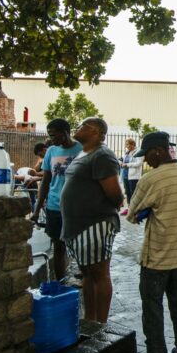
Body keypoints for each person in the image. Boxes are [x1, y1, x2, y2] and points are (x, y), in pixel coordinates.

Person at [124, 131, 177, 353]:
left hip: (155, 258)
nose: (146, 162)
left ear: (157, 151)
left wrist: (148, 209)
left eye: (147, 156)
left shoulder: (151, 178)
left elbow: (131, 214)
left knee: (152, 314)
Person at [60, 117, 123, 323]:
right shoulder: (83, 153)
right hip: (77, 225)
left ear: (95, 131)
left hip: (95, 223)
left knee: (98, 272)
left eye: (82, 126)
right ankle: (90, 319)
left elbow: (115, 194)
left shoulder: (102, 155)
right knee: (87, 273)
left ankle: (101, 323)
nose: (77, 128)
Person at [31, 119, 83, 281]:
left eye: (53, 135)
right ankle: (61, 282)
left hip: (76, 206)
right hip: (54, 205)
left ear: (65, 132)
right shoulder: (52, 152)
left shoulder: (81, 149)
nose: (51, 139)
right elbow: (45, 182)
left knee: (79, 243)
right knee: (58, 245)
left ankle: (85, 276)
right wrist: (37, 209)